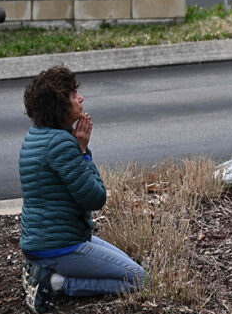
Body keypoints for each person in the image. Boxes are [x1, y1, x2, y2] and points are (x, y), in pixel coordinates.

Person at [18, 65, 146, 312]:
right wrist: (83, 152)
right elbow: (95, 198)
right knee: (139, 279)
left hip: (47, 240)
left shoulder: (37, 134)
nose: (80, 98)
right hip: (58, 246)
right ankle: (55, 283)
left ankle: (39, 268)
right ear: (59, 106)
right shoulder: (62, 144)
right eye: (73, 94)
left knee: (131, 267)